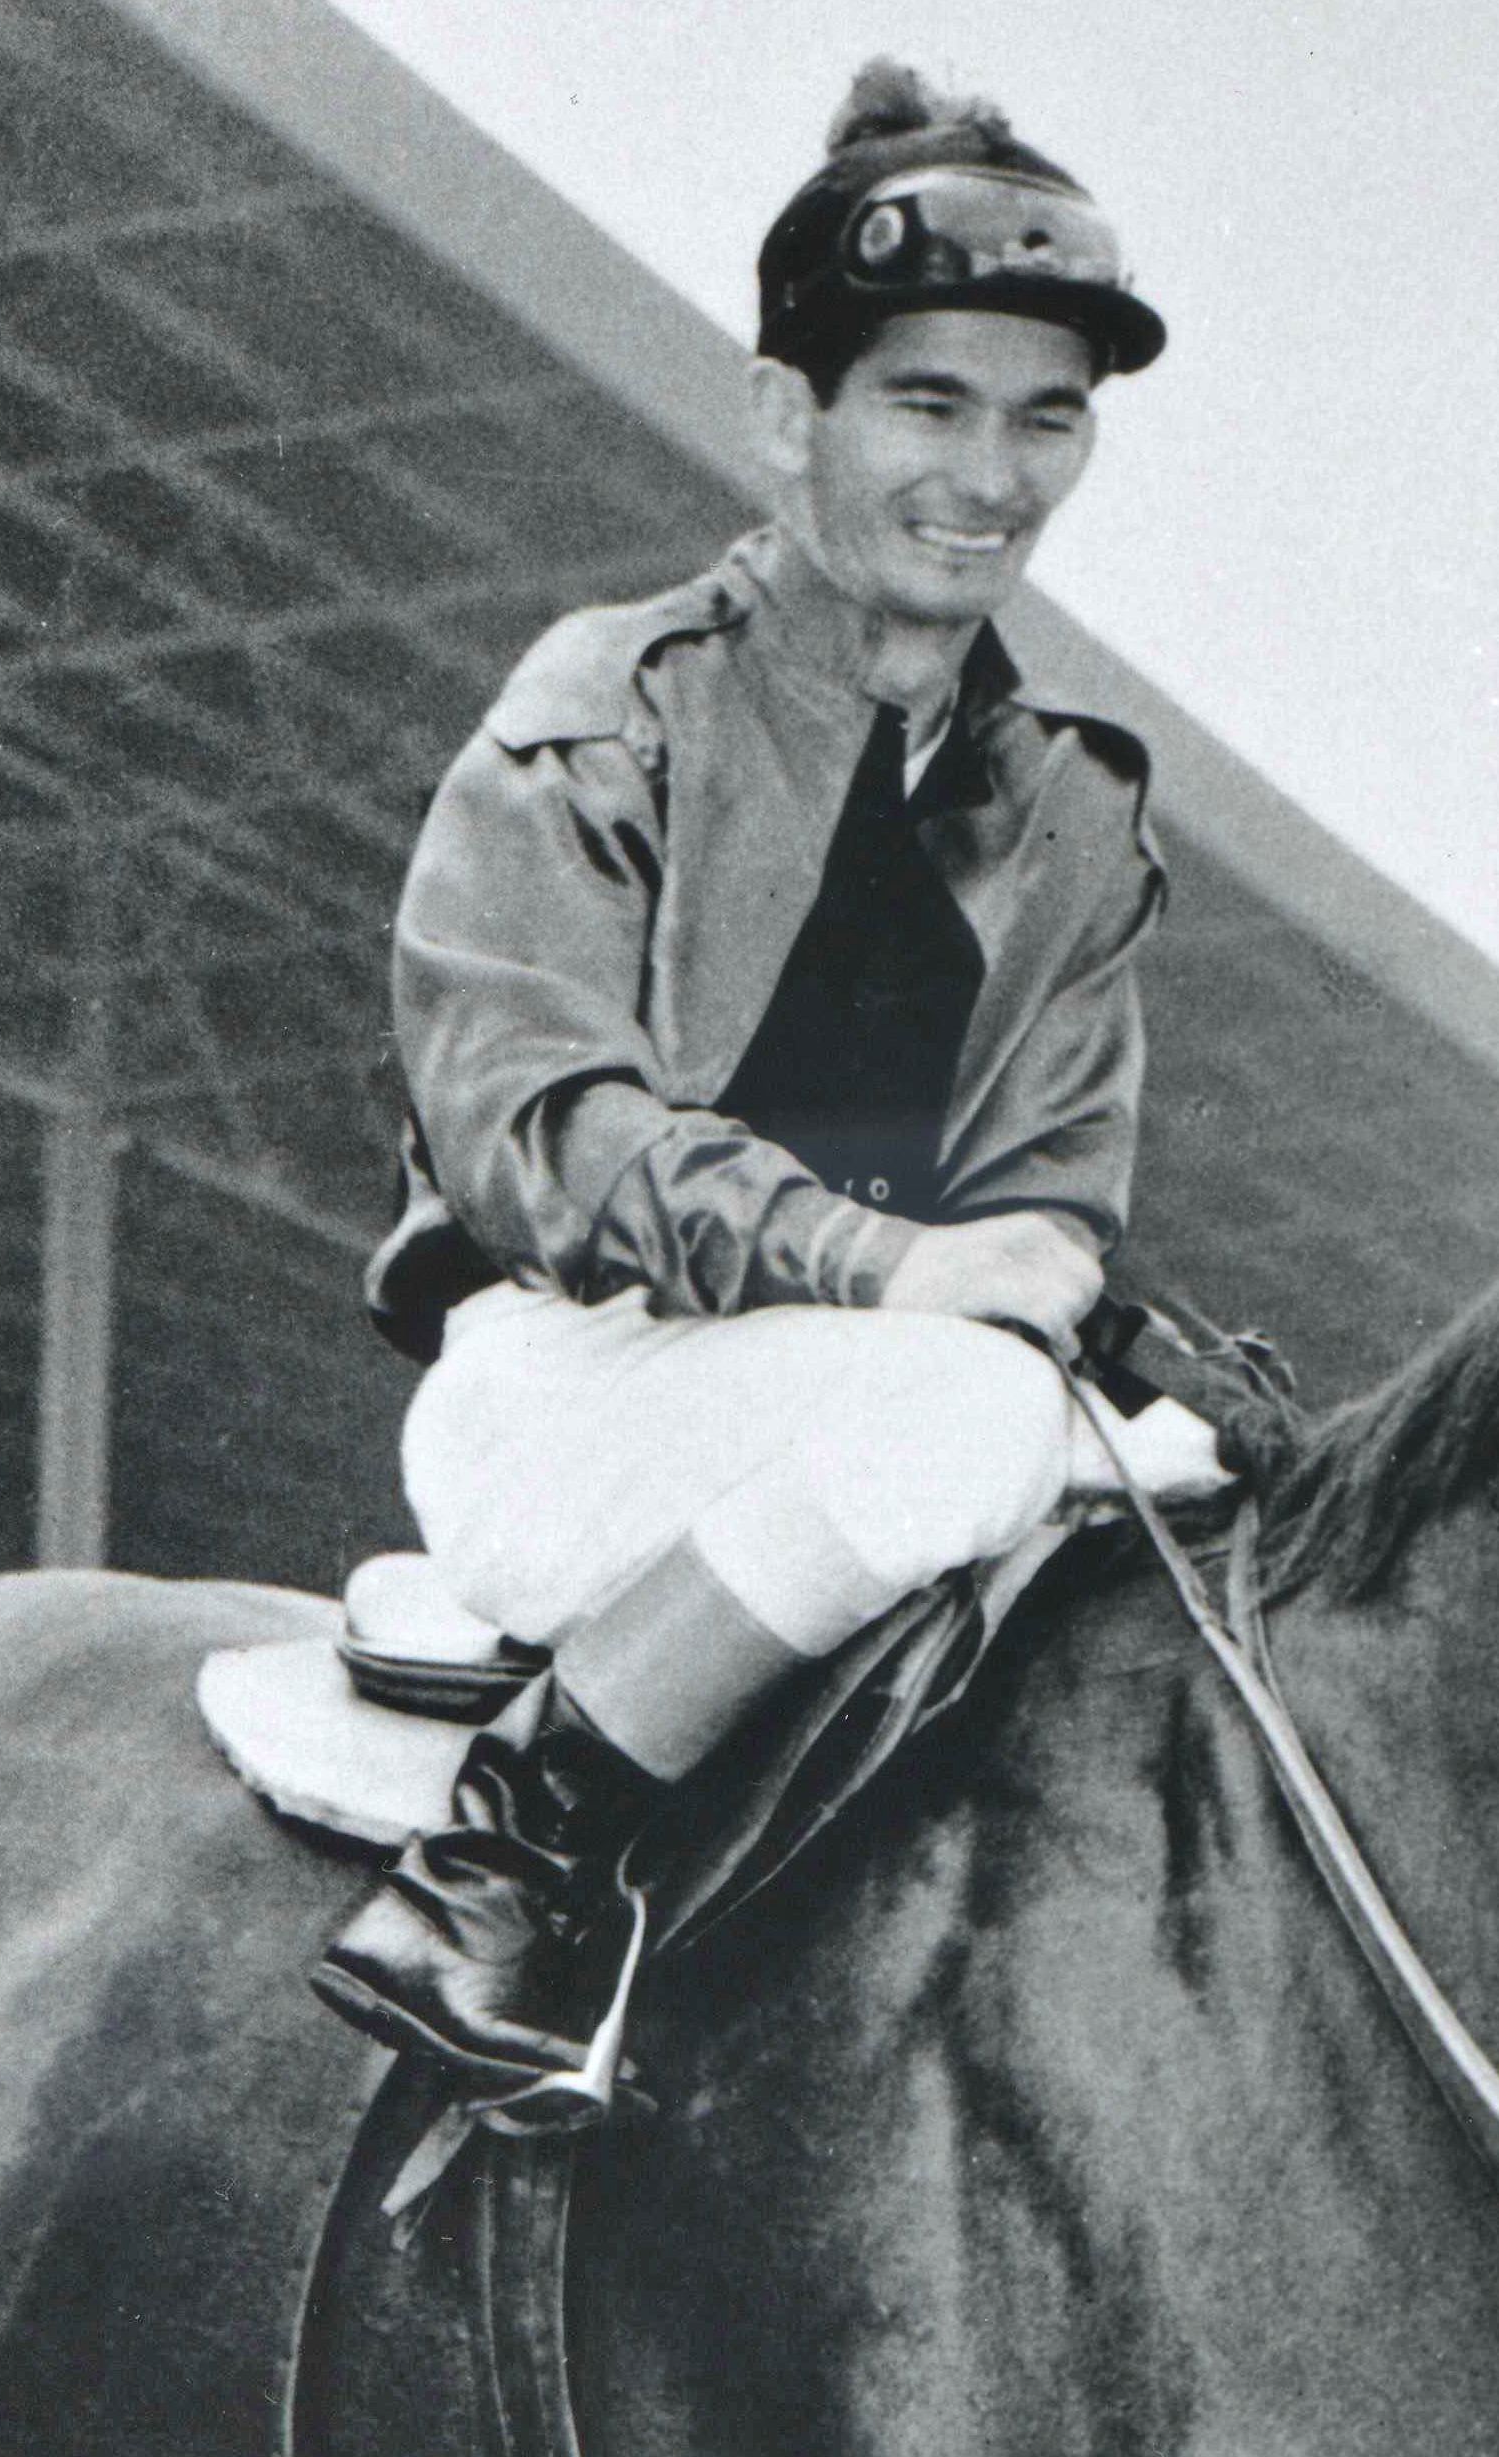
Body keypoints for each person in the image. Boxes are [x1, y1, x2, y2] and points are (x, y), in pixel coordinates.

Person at [318, 72, 1216, 2119]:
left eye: (1047, 417)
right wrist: (887, 1267)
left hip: (865, 1420)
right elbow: (535, 1133)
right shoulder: (600, 717)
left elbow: (1049, 1201)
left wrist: (1060, 1312)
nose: (993, 476)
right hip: (572, 1396)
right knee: (975, 1403)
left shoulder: (1077, 806)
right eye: (929, 402)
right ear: (781, 413)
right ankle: (506, 1852)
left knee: (1196, 1516)